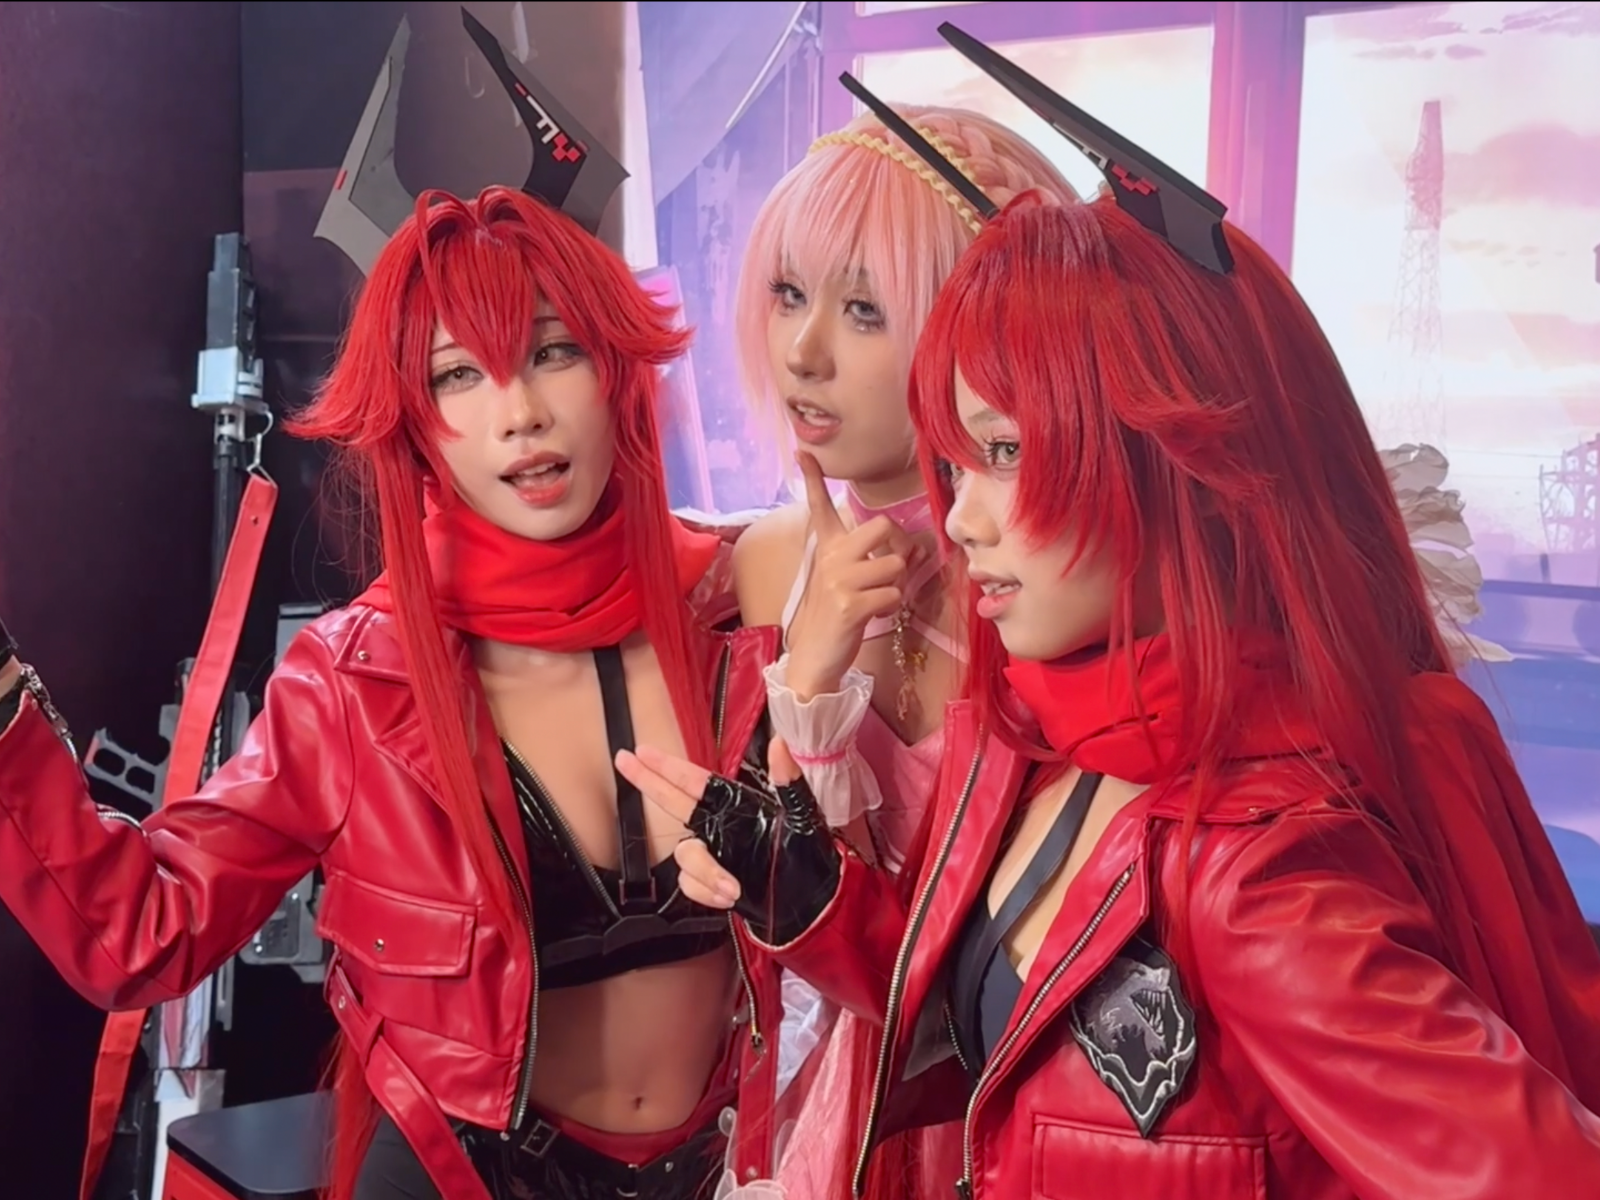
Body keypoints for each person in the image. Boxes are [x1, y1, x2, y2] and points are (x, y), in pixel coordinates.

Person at [613, 32, 1600, 1200]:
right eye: (956, 460)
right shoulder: (1033, 739)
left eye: (1005, 454)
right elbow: (971, 1018)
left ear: (1164, 465)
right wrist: (803, 884)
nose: (962, 518)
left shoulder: (1258, 877)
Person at [0, 183, 789, 1200]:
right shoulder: (353, 687)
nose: (520, 414)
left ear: (615, 369)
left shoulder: (745, 612)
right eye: (459, 374)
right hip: (455, 1177)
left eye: (554, 352)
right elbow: (139, 932)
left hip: (735, 1169)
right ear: (415, 421)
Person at [727, 102, 1079, 1198]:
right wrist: (811, 669)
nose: (802, 351)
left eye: (864, 311)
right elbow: (788, 903)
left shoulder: (1050, 587)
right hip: (820, 1090)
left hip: (1004, 1091)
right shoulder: (763, 562)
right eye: (788, 294)